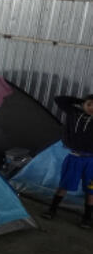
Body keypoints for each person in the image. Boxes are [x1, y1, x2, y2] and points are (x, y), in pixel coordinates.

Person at [44, 93, 93, 228]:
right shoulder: (74, 113)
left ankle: (87, 218)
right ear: (83, 104)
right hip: (74, 158)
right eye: (89, 104)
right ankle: (52, 210)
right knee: (64, 185)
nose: (91, 108)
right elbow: (58, 99)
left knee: (91, 190)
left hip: (91, 162)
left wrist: (86, 101)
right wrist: (80, 100)